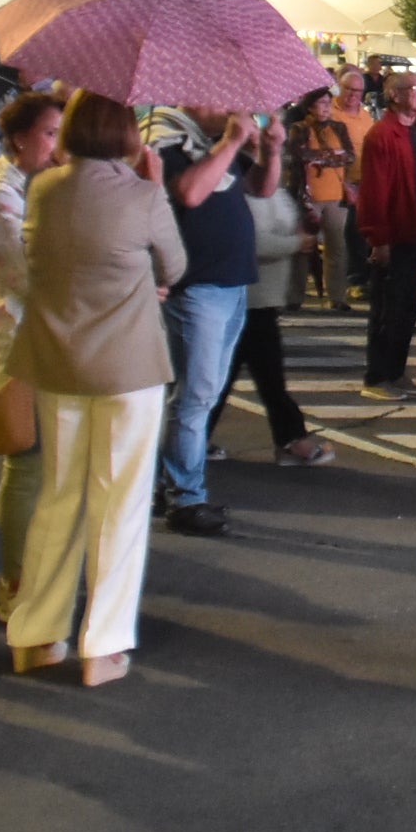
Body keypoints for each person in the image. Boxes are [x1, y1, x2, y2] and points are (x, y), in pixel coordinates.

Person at [4, 92, 188, 686]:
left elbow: (36, 259)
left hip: (57, 359)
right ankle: (103, 645)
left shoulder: (44, 188)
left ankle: (37, 634)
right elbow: (175, 265)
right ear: (127, 135)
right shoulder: (142, 195)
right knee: (119, 504)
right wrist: (151, 186)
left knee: (59, 496)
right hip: (129, 366)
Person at [155, 107, 279, 537]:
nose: (231, 107)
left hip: (232, 281)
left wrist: (272, 149)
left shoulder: (214, 142)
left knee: (202, 393)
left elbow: (261, 187)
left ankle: (162, 480)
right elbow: (189, 193)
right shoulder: (168, 135)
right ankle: (185, 497)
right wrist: (228, 143)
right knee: (195, 393)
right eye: (220, 97)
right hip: (198, 281)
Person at [0, 90, 64, 618]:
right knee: (27, 460)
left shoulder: (36, 185)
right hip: (19, 339)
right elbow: (27, 275)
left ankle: (31, 576)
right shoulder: (1, 195)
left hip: (45, 337)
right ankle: (14, 582)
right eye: (49, 134)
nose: (57, 146)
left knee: (46, 464)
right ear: (18, 138)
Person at [231, 149, 335, 469]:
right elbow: (250, 242)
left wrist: (306, 226)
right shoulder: (242, 188)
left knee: (226, 380)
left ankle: (191, 441)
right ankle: (293, 441)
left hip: (265, 298)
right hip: (249, 296)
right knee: (269, 378)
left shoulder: (274, 189)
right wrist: (296, 244)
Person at [356, 74, 416, 399]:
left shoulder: (413, 131)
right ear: (395, 95)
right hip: (395, 237)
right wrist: (378, 239)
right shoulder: (382, 135)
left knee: (405, 309)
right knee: (387, 310)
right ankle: (377, 377)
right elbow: (375, 190)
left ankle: (396, 371)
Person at [295, 87, 357, 312]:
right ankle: (295, 295)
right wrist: (333, 156)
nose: (325, 108)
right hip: (309, 196)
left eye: (328, 103)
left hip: (335, 195)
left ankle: (337, 296)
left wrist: (322, 158)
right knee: (303, 247)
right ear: (310, 106)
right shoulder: (300, 128)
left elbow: (349, 155)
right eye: (321, 103)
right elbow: (300, 154)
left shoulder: (338, 127)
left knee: (337, 247)